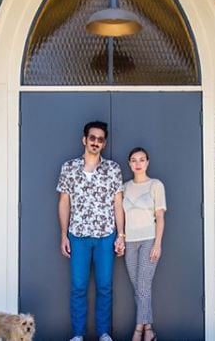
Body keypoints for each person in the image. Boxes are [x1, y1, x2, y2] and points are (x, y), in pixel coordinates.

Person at [57, 121, 125, 341]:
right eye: (92, 138)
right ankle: (78, 334)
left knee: (105, 286)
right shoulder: (69, 168)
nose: (96, 142)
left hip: (106, 236)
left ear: (104, 143)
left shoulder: (113, 169)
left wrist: (121, 235)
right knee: (78, 286)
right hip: (78, 236)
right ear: (84, 140)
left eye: (100, 139)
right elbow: (64, 202)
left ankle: (104, 333)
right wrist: (63, 234)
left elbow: (118, 204)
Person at [120, 147, 166, 341]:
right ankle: (150, 329)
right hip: (130, 242)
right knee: (138, 286)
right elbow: (120, 215)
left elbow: (160, 216)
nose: (137, 163)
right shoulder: (124, 187)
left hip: (148, 239)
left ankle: (139, 329)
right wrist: (121, 237)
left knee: (143, 284)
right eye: (133, 160)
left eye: (141, 160)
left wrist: (158, 243)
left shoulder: (156, 185)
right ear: (130, 164)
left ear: (147, 162)